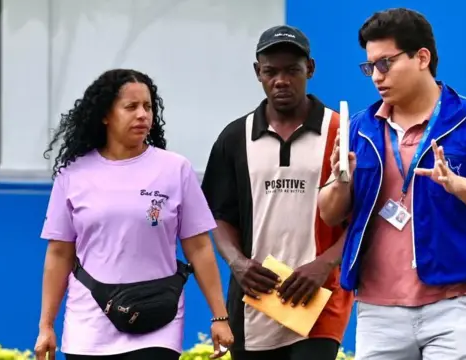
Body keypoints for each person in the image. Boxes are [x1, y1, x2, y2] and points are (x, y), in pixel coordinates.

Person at [318, 8, 466, 360]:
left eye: (385, 63)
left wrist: (459, 185)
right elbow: (328, 212)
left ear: (422, 58)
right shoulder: (359, 128)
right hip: (377, 306)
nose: (376, 77)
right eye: (369, 67)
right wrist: (340, 181)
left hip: (453, 301)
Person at [34, 69, 233, 360]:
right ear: (105, 115)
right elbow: (59, 253)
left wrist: (219, 316)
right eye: (131, 107)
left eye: (148, 107)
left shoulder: (175, 169)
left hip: (158, 321)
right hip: (88, 328)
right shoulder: (73, 174)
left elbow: (200, 247)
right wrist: (46, 326)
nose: (143, 115)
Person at [200, 25, 354, 360]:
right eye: (271, 71)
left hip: (319, 296)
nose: (281, 80)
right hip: (255, 298)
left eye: (292, 70)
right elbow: (217, 214)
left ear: (310, 69)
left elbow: (363, 216)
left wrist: (325, 264)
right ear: (258, 72)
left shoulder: (341, 132)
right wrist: (238, 263)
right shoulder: (234, 137)